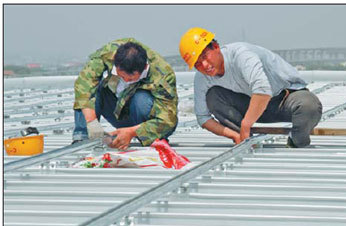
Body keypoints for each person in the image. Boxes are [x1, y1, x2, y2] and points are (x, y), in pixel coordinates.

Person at [179, 28, 322, 148]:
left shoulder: (241, 55)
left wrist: (246, 124)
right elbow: (203, 118)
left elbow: (262, 90)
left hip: (283, 100)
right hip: (252, 106)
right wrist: (234, 134)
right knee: (213, 96)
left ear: (216, 47)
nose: (204, 65)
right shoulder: (202, 77)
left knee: (309, 105)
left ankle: (296, 142)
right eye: (197, 64)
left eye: (205, 56)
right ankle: (246, 140)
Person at [73, 38, 178, 150]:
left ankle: (151, 141)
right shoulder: (109, 53)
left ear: (145, 68)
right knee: (92, 89)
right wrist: (91, 122)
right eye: (122, 77)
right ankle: (82, 139)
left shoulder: (163, 74)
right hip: (117, 111)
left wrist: (133, 132)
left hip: (142, 121)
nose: (126, 81)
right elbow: (84, 83)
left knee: (141, 99)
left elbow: (168, 121)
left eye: (131, 79)